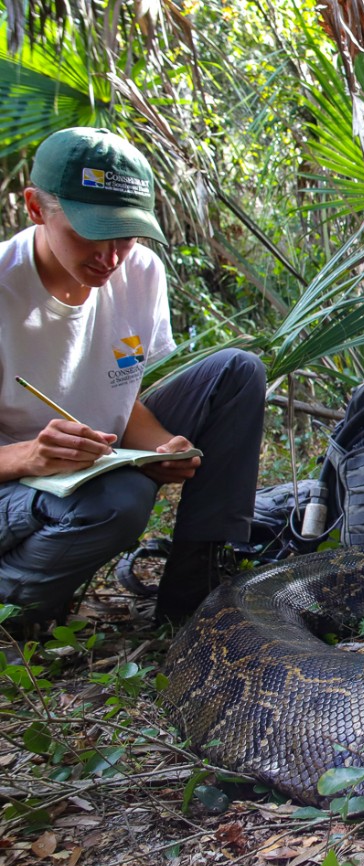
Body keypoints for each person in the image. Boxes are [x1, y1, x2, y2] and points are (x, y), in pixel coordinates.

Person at [0, 127, 266, 629]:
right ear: (36, 208)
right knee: (119, 500)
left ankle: (194, 593)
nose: (109, 257)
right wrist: (29, 455)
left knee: (237, 371)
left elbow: (120, 397)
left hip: (89, 461)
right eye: (88, 232)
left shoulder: (139, 272)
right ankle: (16, 601)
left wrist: (165, 447)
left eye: (124, 234)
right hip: (14, 486)